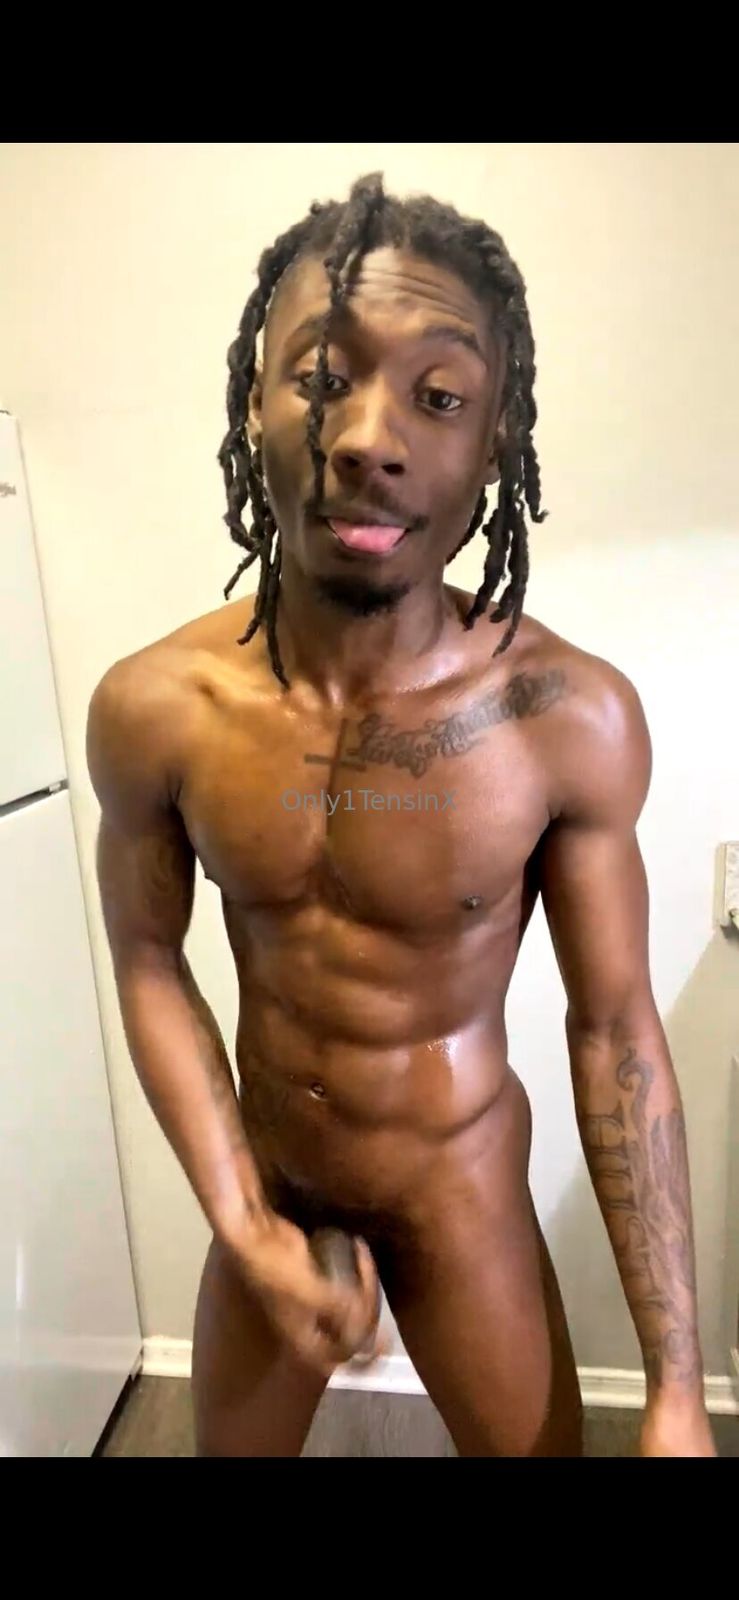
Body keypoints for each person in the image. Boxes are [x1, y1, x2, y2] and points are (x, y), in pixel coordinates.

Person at [87, 172, 716, 1458]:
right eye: (322, 377)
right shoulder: (156, 707)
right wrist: (244, 1222)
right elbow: (148, 959)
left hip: (459, 1189)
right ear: (252, 402)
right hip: (272, 1184)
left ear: (494, 442)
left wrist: (671, 1386)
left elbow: (614, 1031)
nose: (369, 438)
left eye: (439, 397)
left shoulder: (565, 716)